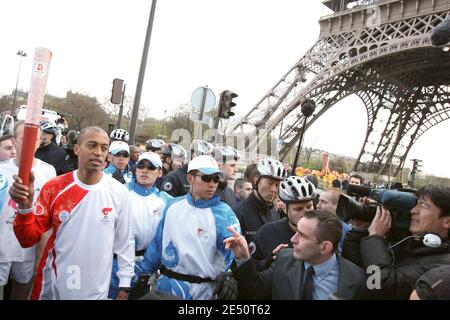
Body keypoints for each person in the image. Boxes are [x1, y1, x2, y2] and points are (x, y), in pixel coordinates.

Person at [9, 126, 135, 300]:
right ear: (76, 149)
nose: (98, 152)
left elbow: (125, 243)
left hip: (94, 289)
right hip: (53, 285)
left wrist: (125, 284)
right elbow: (27, 239)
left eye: (104, 148)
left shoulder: (119, 193)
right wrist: (25, 207)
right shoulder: (55, 187)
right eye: (92, 146)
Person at [136, 155, 240, 300]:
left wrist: (230, 274)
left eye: (216, 179)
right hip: (167, 288)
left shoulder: (225, 215)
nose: (212, 184)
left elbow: (232, 255)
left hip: (204, 292)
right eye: (206, 178)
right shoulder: (172, 206)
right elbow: (157, 245)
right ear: (190, 178)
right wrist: (143, 274)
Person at [227, 210, 367, 300]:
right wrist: (243, 258)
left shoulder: (356, 279)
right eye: (296, 231)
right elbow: (255, 291)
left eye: (302, 235)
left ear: (325, 247)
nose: (293, 239)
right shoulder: (284, 259)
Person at [356, 185, 450, 299]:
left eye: (423, 205)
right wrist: (361, 229)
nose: (413, 210)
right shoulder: (406, 240)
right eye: (416, 204)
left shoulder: (442, 265)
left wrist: (375, 237)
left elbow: (378, 287)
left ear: (447, 221)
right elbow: (357, 266)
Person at [0, 121, 56, 300]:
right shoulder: (1, 169)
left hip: (28, 250)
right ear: (14, 142)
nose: (30, 143)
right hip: (1, 246)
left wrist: (42, 254)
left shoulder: (48, 172)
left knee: (22, 292)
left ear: (39, 142)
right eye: (25, 138)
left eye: (35, 139)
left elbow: (47, 216)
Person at [109, 152, 172, 299]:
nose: (145, 170)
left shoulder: (166, 201)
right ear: (135, 169)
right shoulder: (120, 192)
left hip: (147, 268)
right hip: (116, 264)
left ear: (160, 172)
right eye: (141, 166)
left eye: (151, 167)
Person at [252, 176, 316, 266]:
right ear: (284, 208)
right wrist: (271, 261)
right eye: (298, 209)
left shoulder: (321, 233)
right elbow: (253, 268)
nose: (306, 213)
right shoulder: (266, 233)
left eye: (309, 207)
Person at [232, 158, 287, 247]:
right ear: (256, 180)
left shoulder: (273, 211)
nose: (274, 189)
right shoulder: (238, 212)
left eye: (277, 185)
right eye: (270, 183)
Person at [317, 187, 352, 252]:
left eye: (323, 201)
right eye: (319, 200)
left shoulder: (348, 234)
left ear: (339, 206)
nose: (317, 205)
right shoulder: (311, 225)